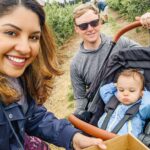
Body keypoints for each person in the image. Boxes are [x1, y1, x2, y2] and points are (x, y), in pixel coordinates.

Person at [0, 0, 107, 150]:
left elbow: (33, 116)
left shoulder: (18, 78)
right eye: (11, 33)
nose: (25, 48)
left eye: (34, 37)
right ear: (77, 29)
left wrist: (73, 137)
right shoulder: (76, 63)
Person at [70, 3, 150, 116]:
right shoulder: (76, 64)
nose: (90, 29)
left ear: (100, 22)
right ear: (76, 29)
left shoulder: (120, 42)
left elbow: (146, 56)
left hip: (134, 108)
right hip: (104, 112)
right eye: (83, 26)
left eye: (94, 23)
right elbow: (80, 97)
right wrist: (80, 113)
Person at [97, 69, 150, 137]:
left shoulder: (141, 109)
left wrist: (144, 93)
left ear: (141, 93)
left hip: (124, 141)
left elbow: (148, 104)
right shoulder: (113, 100)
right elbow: (103, 90)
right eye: (121, 90)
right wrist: (115, 85)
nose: (125, 93)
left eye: (131, 90)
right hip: (100, 134)